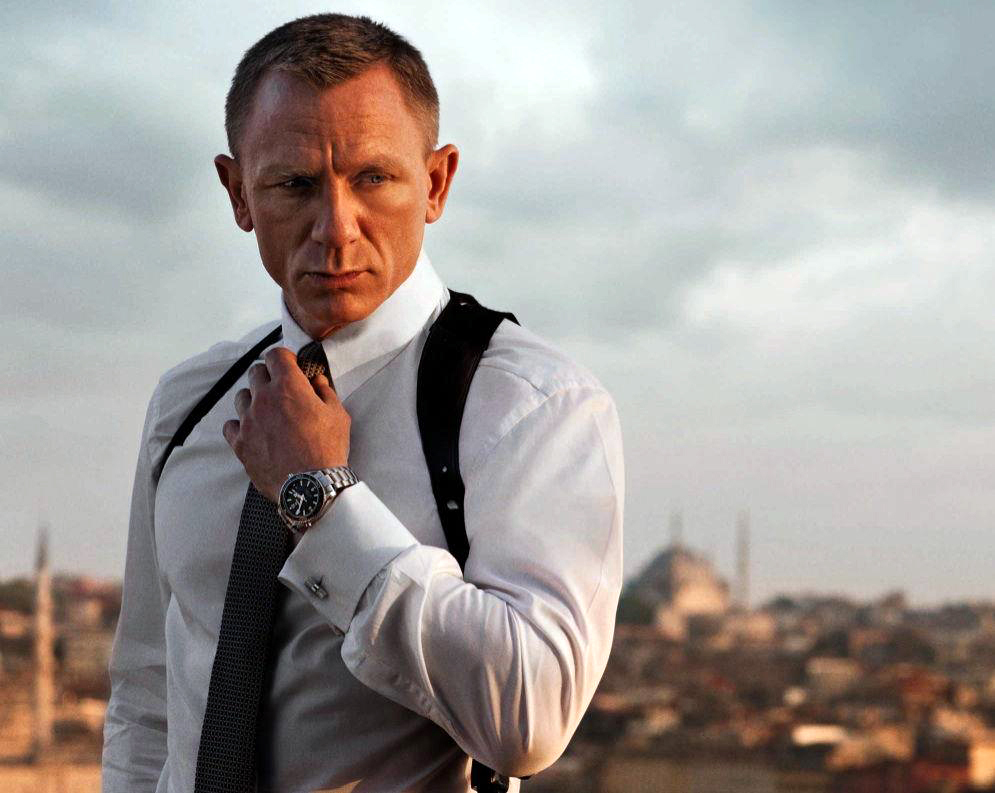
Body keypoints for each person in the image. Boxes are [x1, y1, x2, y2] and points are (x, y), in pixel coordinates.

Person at [101, 13, 624, 793]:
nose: (335, 229)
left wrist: (321, 502)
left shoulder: (531, 405)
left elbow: (530, 718)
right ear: (238, 193)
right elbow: (147, 697)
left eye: (372, 178)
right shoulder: (188, 404)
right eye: (294, 184)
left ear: (435, 183)